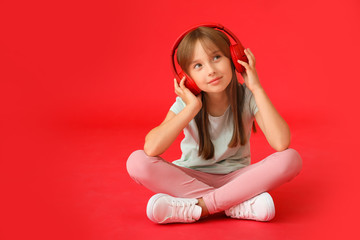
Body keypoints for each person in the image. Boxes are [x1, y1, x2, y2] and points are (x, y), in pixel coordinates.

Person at [126, 25, 302, 224]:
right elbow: (151, 147)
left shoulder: (247, 96)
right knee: (137, 161)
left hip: (237, 178)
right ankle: (235, 204)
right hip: (191, 177)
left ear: (234, 59)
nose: (211, 71)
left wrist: (257, 87)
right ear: (187, 78)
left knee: (290, 159)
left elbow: (281, 143)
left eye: (216, 57)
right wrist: (192, 108)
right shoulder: (186, 103)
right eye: (198, 65)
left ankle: (198, 208)